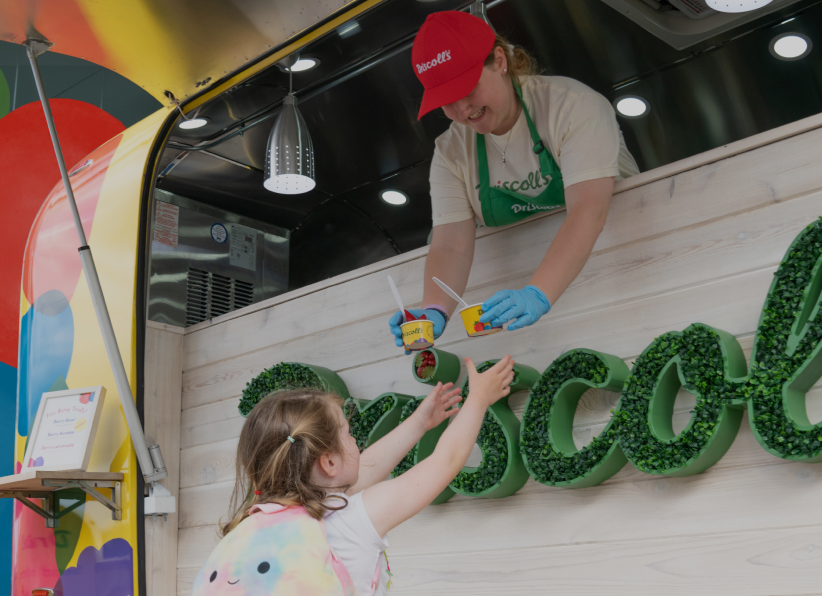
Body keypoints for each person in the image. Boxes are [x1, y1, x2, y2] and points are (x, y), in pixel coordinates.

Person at [388, 10, 639, 348]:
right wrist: (433, 310)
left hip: (628, 265)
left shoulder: (572, 106)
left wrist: (537, 293)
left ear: (500, 60)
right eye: (447, 102)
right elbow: (450, 245)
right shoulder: (451, 151)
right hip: (552, 315)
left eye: (468, 88)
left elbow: (588, 211)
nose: (463, 110)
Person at [219, 356, 516, 596]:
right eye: (348, 433)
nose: (357, 443)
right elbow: (445, 462)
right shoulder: (353, 519)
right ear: (329, 463)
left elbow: (366, 466)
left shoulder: (262, 521)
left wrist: (420, 423)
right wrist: (478, 398)